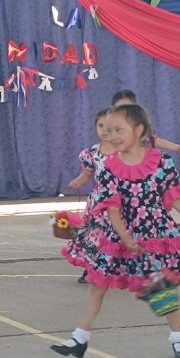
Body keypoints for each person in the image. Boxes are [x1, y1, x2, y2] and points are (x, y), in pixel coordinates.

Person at [52, 104, 180, 358]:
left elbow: (172, 194)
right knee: (98, 284)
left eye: (118, 130)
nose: (111, 135)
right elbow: (112, 207)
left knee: (162, 286)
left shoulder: (162, 161)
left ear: (139, 130)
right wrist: (125, 237)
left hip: (156, 233)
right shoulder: (110, 166)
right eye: (108, 130)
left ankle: (178, 339)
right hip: (120, 235)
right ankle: (79, 338)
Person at [67, 108, 114, 284]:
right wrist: (78, 181)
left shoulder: (124, 150)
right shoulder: (92, 152)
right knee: (93, 236)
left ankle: (118, 270)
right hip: (98, 203)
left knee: (117, 237)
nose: (105, 130)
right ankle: (91, 269)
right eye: (101, 126)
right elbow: (87, 173)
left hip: (122, 202)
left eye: (110, 126)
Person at [111, 89, 180, 157]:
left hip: (141, 160)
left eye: (129, 107)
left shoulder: (140, 122)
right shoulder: (109, 124)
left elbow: (153, 140)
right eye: (120, 108)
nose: (125, 111)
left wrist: (178, 148)